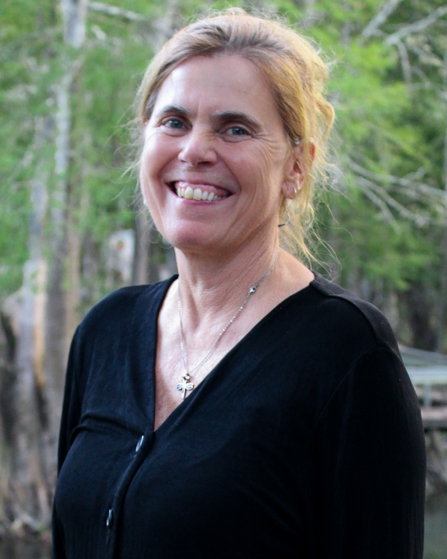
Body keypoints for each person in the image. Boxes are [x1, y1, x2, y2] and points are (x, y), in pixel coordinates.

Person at [52, 9, 426, 559]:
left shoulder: (346, 356)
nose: (195, 150)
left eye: (235, 128)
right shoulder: (105, 331)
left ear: (296, 168)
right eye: (174, 121)